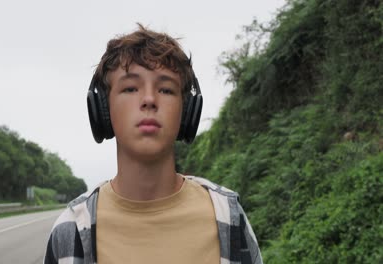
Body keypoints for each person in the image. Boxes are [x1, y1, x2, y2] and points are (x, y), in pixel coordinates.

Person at [44, 24, 262, 264]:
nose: (149, 99)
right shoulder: (71, 229)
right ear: (103, 110)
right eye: (130, 88)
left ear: (187, 111)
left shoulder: (228, 216)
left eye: (166, 89)